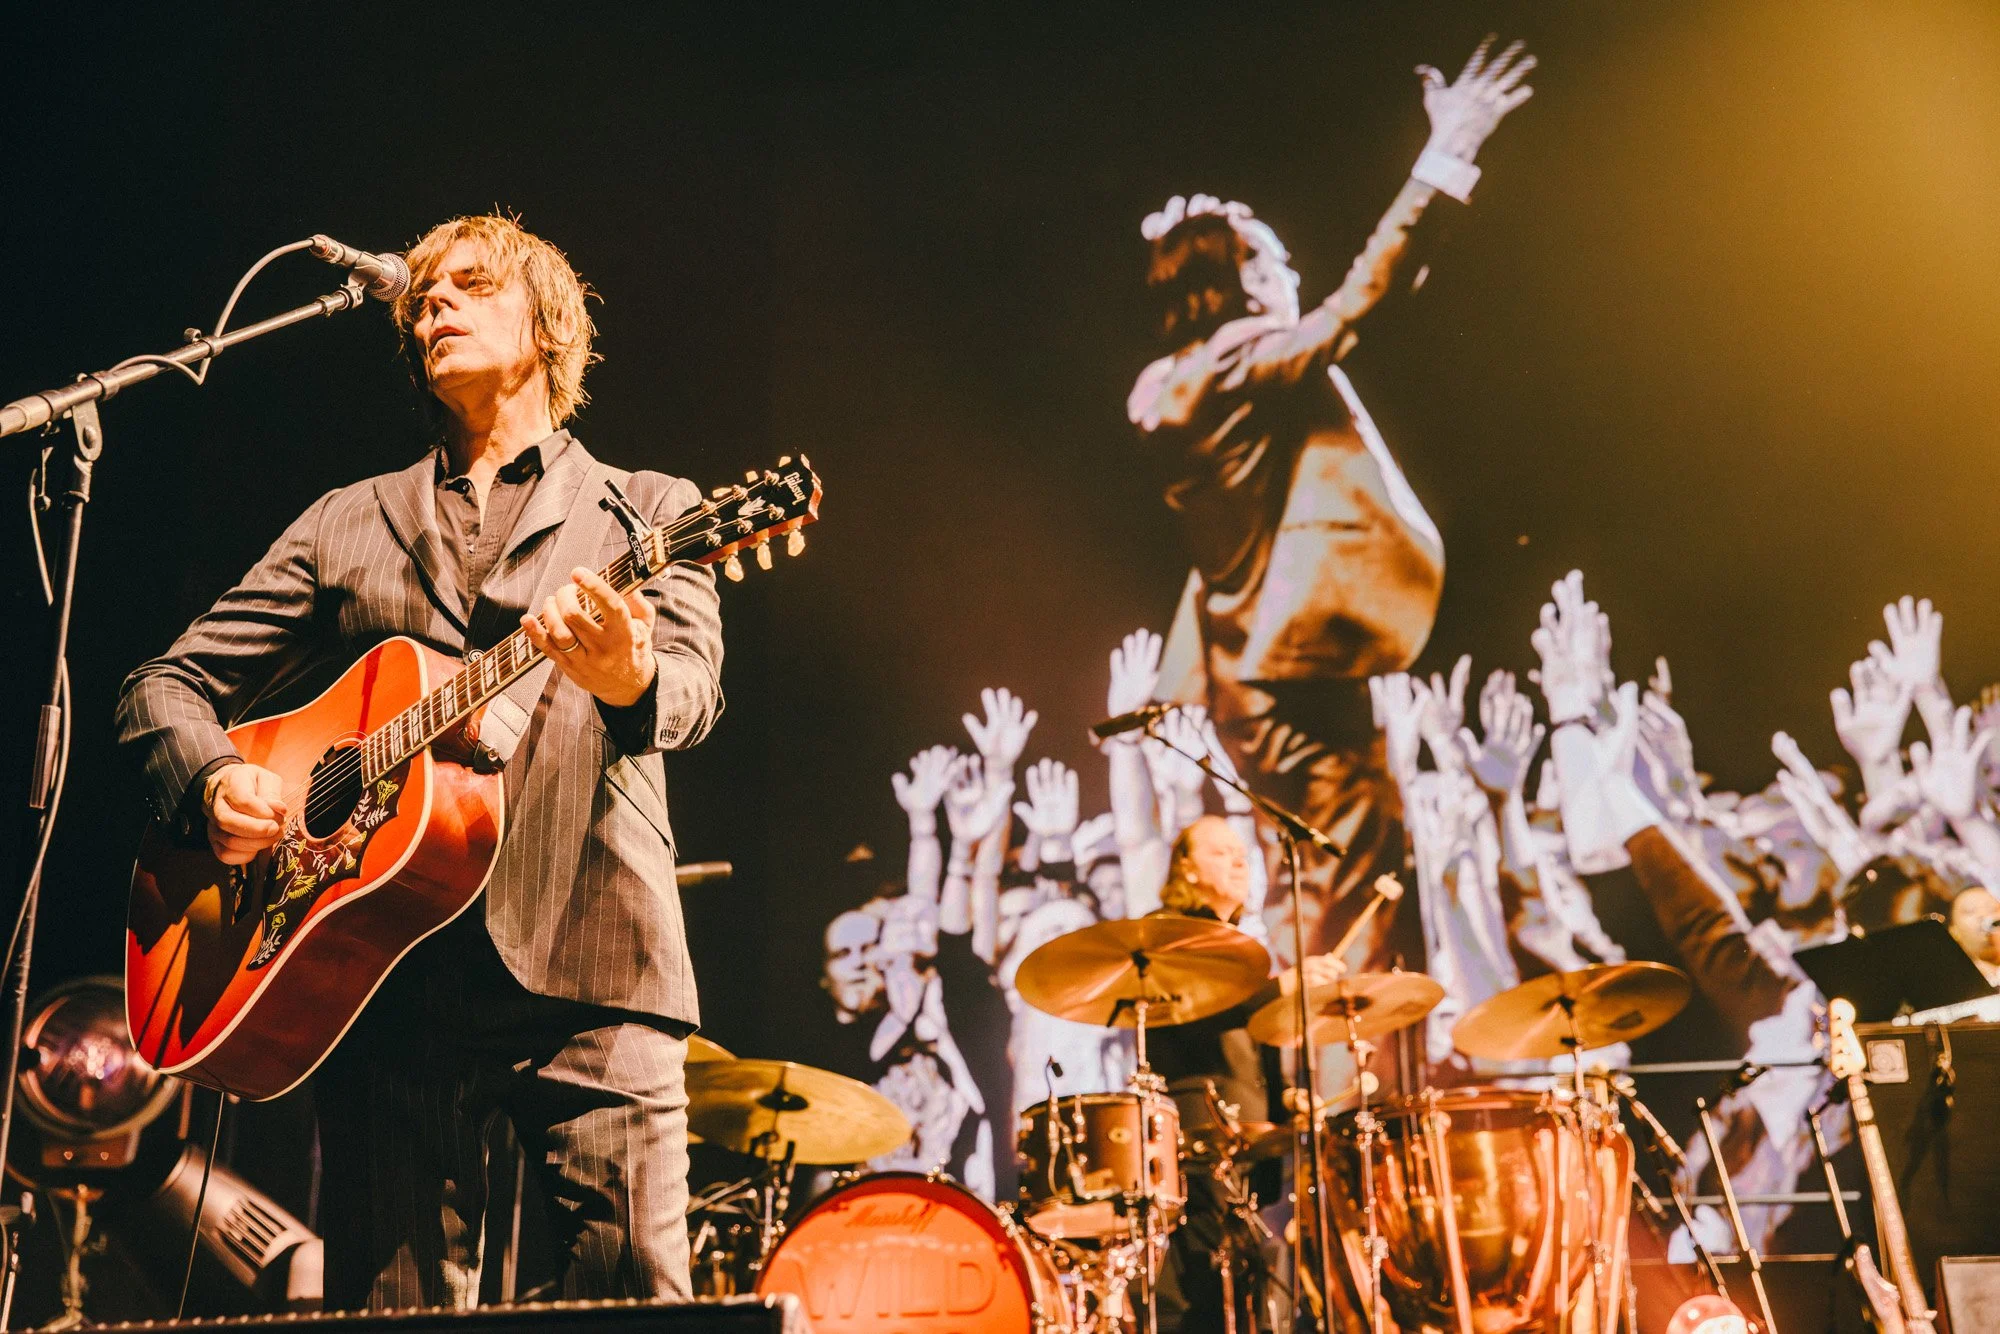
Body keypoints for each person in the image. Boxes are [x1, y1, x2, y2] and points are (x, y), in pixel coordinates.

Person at [115, 214, 723, 1308]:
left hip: (593, 968)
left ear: (544, 324)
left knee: (636, 1301)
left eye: (469, 285)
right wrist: (214, 780)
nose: (433, 303)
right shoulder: (347, 522)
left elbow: (689, 692)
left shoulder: (650, 510)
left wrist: (630, 676)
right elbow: (160, 686)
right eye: (422, 296)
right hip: (378, 985)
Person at [1126, 39, 1535, 979]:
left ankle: (1343, 1098)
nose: (1287, 265)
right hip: (1292, 679)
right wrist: (1447, 156)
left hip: (1256, 675)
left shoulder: (1178, 384)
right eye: (1267, 256)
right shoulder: (1234, 367)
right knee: (1347, 907)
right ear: (1231, 279)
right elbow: (1363, 298)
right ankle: (1345, 1109)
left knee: (1333, 890)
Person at [1948, 885, 2000, 985]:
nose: (1983, 914)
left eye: (1993, 909)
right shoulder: (1955, 983)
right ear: (1953, 931)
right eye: (1970, 911)